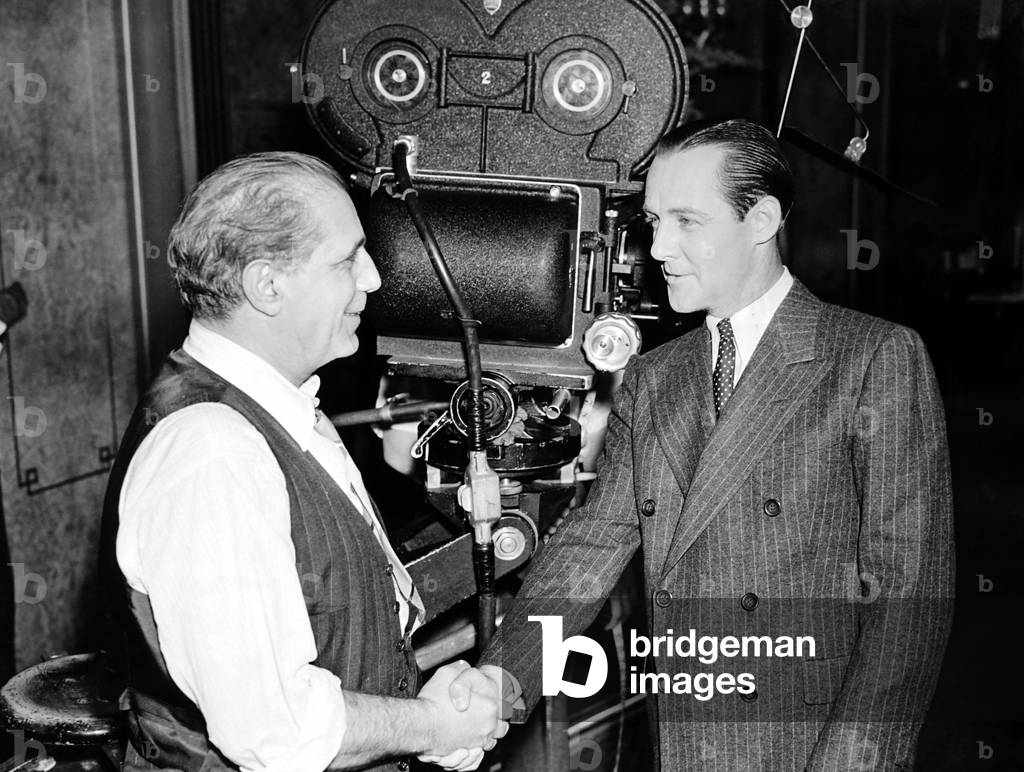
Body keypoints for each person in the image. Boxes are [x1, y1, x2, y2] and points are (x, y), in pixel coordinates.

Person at [462, 120, 955, 770]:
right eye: (653, 221)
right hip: (686, 736)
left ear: (761, 220)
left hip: (809, 742)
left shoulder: (872, 357)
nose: (658, 247)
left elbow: (908, 597)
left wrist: (854, 760)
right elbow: (594, 543)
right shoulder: (653, 376)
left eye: (686, 222)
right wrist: (504, 678)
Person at [98, 152, 506, 772]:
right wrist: (432, 725)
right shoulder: (213, 451)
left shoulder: (279, 408)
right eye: (347, 260)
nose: (373, 279)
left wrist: (428, 707)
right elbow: (276, 730)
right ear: (267, 285)